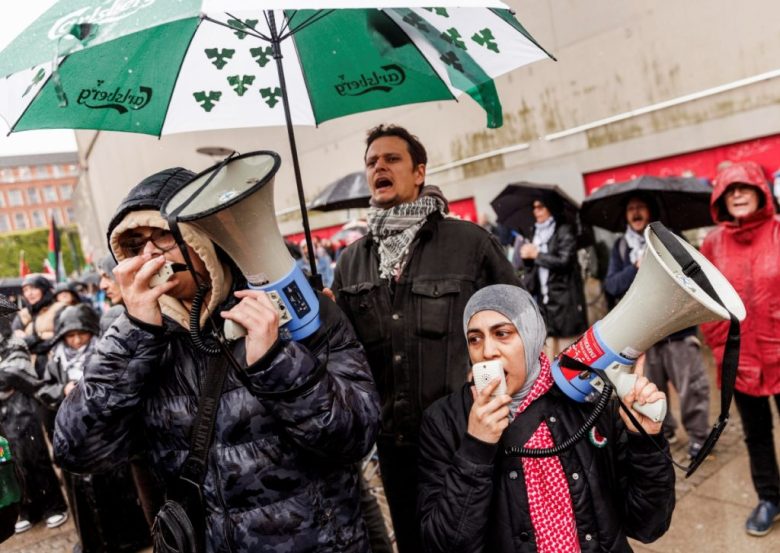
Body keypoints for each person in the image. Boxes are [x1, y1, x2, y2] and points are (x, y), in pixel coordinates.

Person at [53, 168, 381, 552]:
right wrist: (136, 333)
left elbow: (355, 433)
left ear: (203, 238)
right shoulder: (133, 335)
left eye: (163, 235)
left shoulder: (293, 307)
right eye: (135, 243)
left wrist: (277, 362)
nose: (150, 253)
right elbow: (76, 450)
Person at [331, 124, 520, 552]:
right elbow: (345, 354)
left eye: (391, 159)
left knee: (480, 540)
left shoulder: (469, 243)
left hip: (465, 437)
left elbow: (520, 320)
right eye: (371, 162)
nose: (379, 166)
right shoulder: (351, 262)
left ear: (419, 172)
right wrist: (326, 318)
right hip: (394, 446)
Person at [418, 284, 675, 552]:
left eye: (502, 334)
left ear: (532, 335)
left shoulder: (587, 399)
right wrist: (476, 448)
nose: (487, 351)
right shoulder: (444, 421)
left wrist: (646, 441)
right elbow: (444, 544)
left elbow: (649, 525)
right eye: (475, 339)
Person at [700, 161, 780, 537]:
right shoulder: (713, 243)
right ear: (721, 199)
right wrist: (721, 347)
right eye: (729, 190)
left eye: (743, 188)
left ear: (760, 191)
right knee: (757, 432)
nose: (737, 195)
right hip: (741, 358)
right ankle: (770, 498)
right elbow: (704, 301)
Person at [604, 193, 710, 458]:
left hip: (678, 330)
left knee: (691, 387)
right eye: (631, 209)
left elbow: (693, 272)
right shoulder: (620, 247)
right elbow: (611, 285)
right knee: (651, 387)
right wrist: (634, 267)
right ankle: (666, 429)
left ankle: (699, 439)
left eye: (640, 207)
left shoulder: (670, 237)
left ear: (650, 211)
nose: (636, 213)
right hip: (644, 336)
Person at [38, 303, 151, 553]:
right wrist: (62, 390)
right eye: (70, 335)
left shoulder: (105, 353)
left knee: (116, 498)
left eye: (82, 333)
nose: (77, 340)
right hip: (74, 439)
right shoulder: (55, 359)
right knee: (84, 503)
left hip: (105, 438)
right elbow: (43, 389)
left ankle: (128, 539)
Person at [0, 329, 69, 533]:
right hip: (2, 416)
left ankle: (53, 506)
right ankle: (27, 509)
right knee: (12, 463)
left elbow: (15, 373)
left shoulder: (12, 341)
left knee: (34, 457)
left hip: (20, 408)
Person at [513, 195, 587, 356]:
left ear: (551, 208)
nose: (536, 211)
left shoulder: (564, 230)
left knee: (569, 353)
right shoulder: (534, 233)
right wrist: (527, 259)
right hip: (545, 304)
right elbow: (532, 271)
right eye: (534, 207)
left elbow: (565, 261)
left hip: (565, 302)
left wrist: (537, 255)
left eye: (541, 207)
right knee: (549, 355)